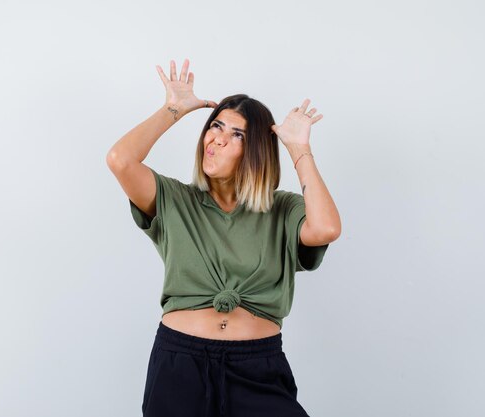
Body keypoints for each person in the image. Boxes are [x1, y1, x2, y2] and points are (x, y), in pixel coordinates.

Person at [106, 58, 341, 417]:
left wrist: (298, 149)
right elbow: (120, 160)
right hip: (180, 364)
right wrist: (173, 109)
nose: (216, 138)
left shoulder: (282, 209)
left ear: (256, 152)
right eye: (215, 126)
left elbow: (326, 229)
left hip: (257, 368)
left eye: (236, 134)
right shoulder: (174, 199)